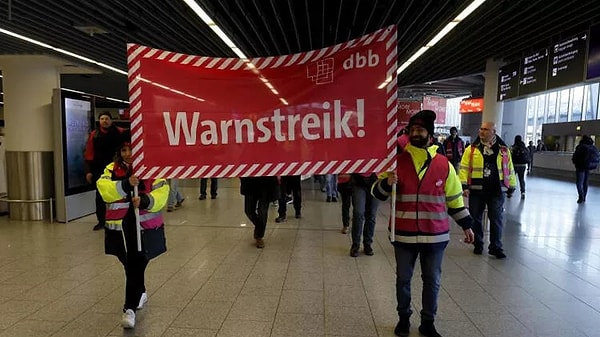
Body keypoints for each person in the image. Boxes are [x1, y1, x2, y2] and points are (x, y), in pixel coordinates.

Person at [372, 109, 474, 337]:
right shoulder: (395, 163)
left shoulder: (443, 165)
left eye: (420, 130)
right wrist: (387, 183)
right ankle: (403, 319)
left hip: (435, 235)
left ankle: (428, 322)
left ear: (429, 135)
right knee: (403, 280)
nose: (416, 134)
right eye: (413, 130)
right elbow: (376, 194)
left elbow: (454, 199)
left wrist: (466, 224)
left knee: (432, 280)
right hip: (403, 234)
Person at [97, 140, 169, 329]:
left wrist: (145, 200)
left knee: (137, 262)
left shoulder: (152, 168)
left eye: (132, 149)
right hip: (120, 228)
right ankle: (141, 291)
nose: (128, 153)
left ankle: (129, 309)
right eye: (124, 150)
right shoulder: (111, 169)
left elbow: (163, 191)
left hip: (144, 228)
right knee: (129, 264)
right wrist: (126, 184)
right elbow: (104, 190)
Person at [459, 121, 516, 259]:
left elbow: (509, 168)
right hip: (476, 190)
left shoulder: (503, 150)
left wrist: (512, 185)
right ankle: (478, 243)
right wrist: (464, 186)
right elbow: (464, 168)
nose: (482, 132)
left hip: (496, 190)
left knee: (496, 219)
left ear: (493, 132)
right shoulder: (471, 149)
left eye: (485, 129)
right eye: (481, 129)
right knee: (475, 218)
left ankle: (496, 247)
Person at [84, 111, 127, 231]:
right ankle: (101, 221)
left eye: (107, 118)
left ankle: (122, 217)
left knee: (120, 193)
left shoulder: (120, 132)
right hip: (100, 169)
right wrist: (88, 171)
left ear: (111, 120)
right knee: (100, 196)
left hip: (117, 168)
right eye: (102, 118)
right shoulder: (94, 135)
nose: (104, 121)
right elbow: (89, 153)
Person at [240, 176, 279, 248]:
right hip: (249, 182)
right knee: (249, 210)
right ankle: (259, 227)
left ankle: (259, 236)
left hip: (266, 182)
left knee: (262, 211)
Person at [349, 172, 380, 257]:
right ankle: (355, 244)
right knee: (358, 213)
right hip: (358, 181)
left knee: (372, 214)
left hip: (376, 180)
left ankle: (368, 243)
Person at [572, 135, 599, 203]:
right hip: (588, 166)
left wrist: (575, 162)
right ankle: (584, 197)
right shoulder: (592, 147)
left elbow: (576, 156)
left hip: (580, 167)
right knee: (585, 182)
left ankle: (581, 196)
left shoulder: (580, 146)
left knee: (579, 183)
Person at [511, 135, 529, 199]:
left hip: (515, 165)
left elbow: (510, 156)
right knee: (521, 179)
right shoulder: (524, 147)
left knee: (512, 179)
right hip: (523, 165)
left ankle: (510, 191)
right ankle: (523, 192)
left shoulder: (513, 147)